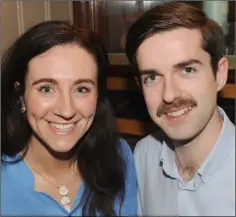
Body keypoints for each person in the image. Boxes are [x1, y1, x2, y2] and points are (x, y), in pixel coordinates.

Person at [1, 20, 137, 216]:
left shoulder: (119, 155)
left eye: (81, 89)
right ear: (20, 95)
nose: (66, 110)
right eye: (46, 89)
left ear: (98, 96)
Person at [125, 2, 235, 216]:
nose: (169, 94)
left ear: (220, 75)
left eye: (187, 70)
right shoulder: (144, 156)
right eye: (153, 77)